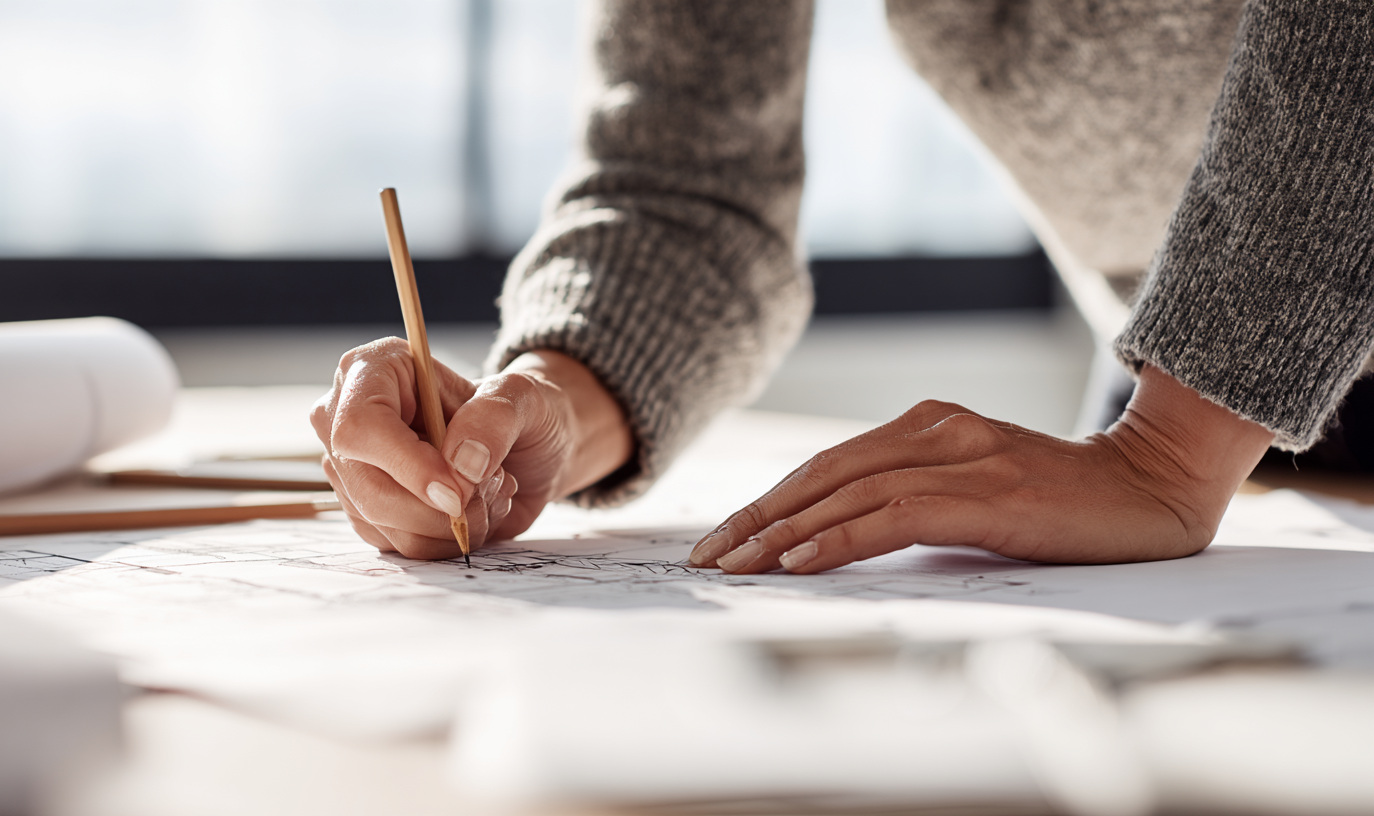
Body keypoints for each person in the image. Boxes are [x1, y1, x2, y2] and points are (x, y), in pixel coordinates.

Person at [311, 0, 1374, 574]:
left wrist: (1174, 452)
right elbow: (686, 177)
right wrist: (546, 405)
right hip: (1189, 412)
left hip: (1196, 420)